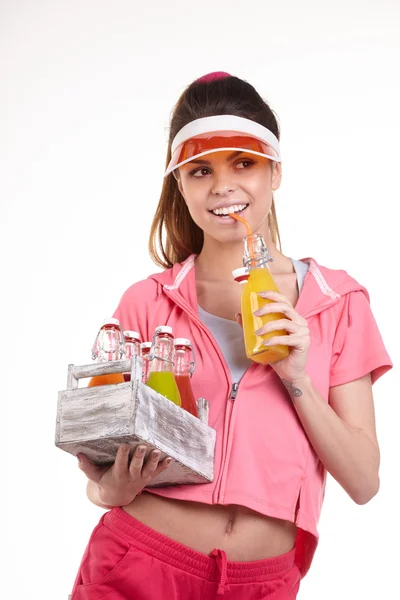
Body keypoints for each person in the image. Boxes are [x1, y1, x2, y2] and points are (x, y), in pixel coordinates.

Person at [71, 71, 392, 599]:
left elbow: (364, 481)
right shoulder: (147, 302)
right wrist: (110, 486)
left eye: (244, 163)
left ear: (276, 172)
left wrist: (296, 377)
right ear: (180, 183)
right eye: (200, 171)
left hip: (260, 584)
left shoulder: (338, 303)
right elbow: (99, 470)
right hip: (138, 565)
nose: (223, 187)